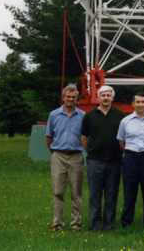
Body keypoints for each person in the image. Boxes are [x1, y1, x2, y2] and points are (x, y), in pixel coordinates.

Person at [80, 84, 124, 231]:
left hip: (115, 161)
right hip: (95, 161)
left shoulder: (120, 116)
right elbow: (84, 137)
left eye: (108, 95)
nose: (106, 98)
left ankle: (109, 224)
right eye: (103, 95)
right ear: (98, 97)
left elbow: (123, 138)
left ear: (112, 97)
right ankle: (95, 224)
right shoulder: (89, 116)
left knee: (111, 194)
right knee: (95, 194)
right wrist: (91, 151)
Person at [117, 93, 144, 227]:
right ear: (133, 104)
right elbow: (121, 141)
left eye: (143, 102)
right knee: (129, 191)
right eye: (138, 102)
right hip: (130, 157)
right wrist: (131, 152)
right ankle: (126, 222)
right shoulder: (125, 121)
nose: (140, 104)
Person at [45, 83, 85, 231]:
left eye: (73, 97)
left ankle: (76, 223)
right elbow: (48, 137)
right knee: (57, 191)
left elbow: (85, 137)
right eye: (68, 96)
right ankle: (57, 223)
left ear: (77, 99)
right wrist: (55, 153)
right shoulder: (54, 115)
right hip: (58, 156)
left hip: (76, 156)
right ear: (63, 98)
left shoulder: (82, 115)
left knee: (76, 192)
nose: (70, 99)